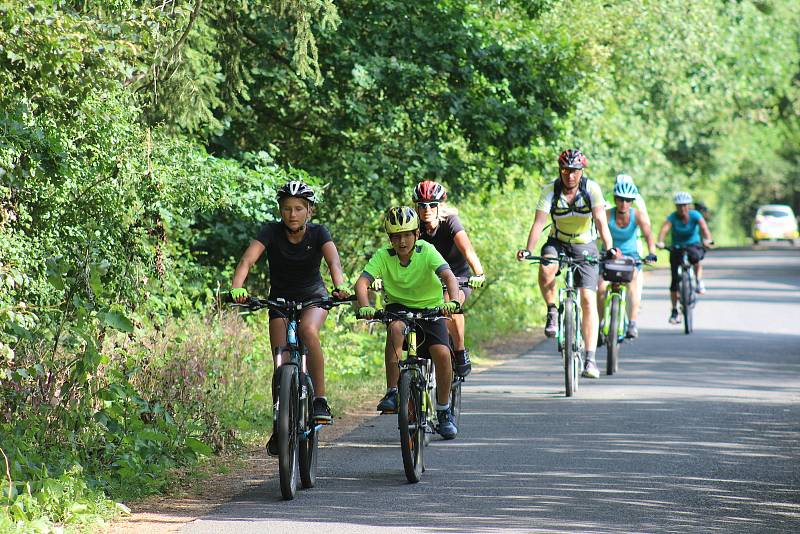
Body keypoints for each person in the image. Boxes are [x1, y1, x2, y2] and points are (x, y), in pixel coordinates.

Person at [230, 180, 350, 455]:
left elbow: (334, 262)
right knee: (280, 360)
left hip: (313, 298)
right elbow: (247, 261)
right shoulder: (270, 232)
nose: (292, 214)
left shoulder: (319, 233)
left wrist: (339, 285)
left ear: (310, 211)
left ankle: (319, 400)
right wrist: (237, 287)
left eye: (298, 209)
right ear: (280, 211)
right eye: (286, 209)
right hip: (280, 301)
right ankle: (280, 426)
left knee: (308, 331)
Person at [354, 206, 463, 439]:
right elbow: (362, 283)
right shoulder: (383, 255)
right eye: (396, 236)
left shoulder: (427, 251)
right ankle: (393, 390)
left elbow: (448, 276)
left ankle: (443, 410)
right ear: (389, 238)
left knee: (442, 354)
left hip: (431, 309)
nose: (402, 241)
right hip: (399, 308)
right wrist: (364, 306)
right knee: (395, 328)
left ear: (416, 235)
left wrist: (452, 301)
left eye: (406, 235)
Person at [516, 148, 619, 379]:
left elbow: (601, 222)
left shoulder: (591, 189)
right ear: (560, 170)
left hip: (586, 244)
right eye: (565, 170)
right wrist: (528, 249)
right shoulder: (550, 191)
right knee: (546, 268)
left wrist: (609, 247)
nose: (569, 175)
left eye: (574, 171)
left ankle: (590, 359)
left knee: (588, 299)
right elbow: (538, 223)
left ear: (581, 171)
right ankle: (552, 310)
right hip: (558, 241)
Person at [413, 180, 485, 378]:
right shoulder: (414, 227)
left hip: (458, 277)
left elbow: (467, 249)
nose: (427, 209)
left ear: (440, 206)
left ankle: (460, 351)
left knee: (449, 303)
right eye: (422, 205)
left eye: (432, 205)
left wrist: (478, 273)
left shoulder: (451, 222)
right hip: (429, 280)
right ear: (416, 207)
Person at [596, 180, 658, 340]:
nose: (624, 203)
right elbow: (594, 233)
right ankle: (601, 324)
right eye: (620, 199)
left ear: (632, 201)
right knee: (601, 287)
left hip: (631, 257)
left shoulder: (638, 215)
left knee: (633, 285)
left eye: (628, 200)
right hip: (608, 256)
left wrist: (651, 253)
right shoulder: (607, 214)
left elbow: (649, 236)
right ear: (615, 199)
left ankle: (632, 323)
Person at [656, 191, 714, 324]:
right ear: (676, 207)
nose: (682, 208)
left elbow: (704, 228)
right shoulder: (672, 217)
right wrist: (660, 241)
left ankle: (698, 280)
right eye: (679, 206)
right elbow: (664, 229)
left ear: (689, 206)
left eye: (685, 205)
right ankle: (674, 310)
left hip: (693, 245)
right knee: (674, 281)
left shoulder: (695, 215)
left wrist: (708, 240)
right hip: (677, 247)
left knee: (697, 258)